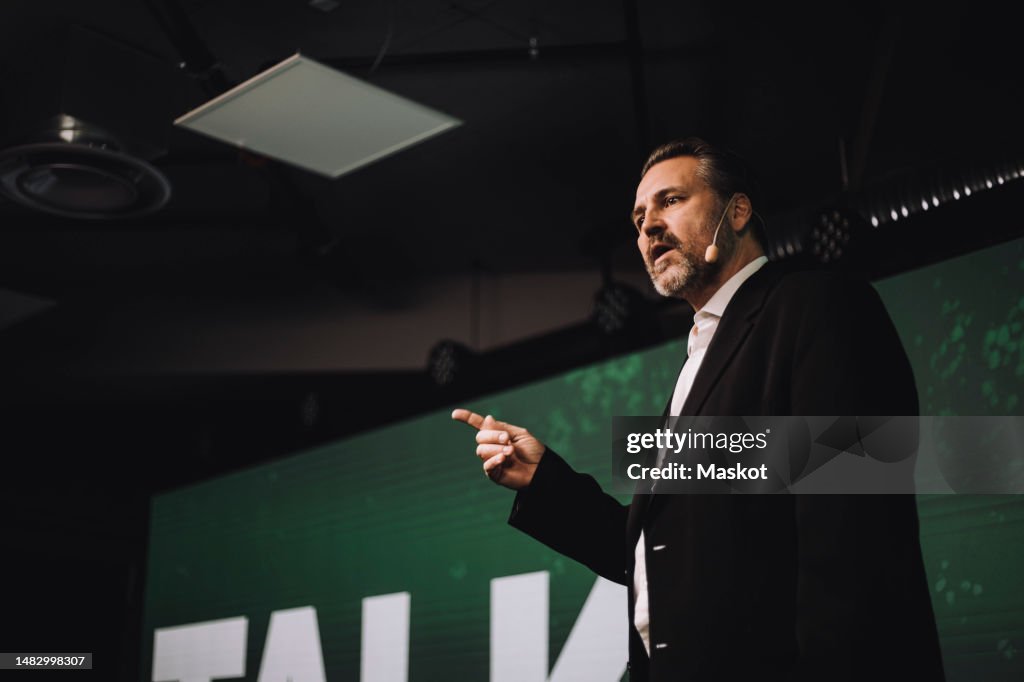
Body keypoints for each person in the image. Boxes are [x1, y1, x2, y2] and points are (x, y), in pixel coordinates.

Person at [452, 138, 944, 681]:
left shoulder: (816, 307)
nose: (648, 227)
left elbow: (856, 540)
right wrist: (545, 481)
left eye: (670, 201)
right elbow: (665, 553)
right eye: (639, 217)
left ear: (736, 211)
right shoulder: (700, 357)